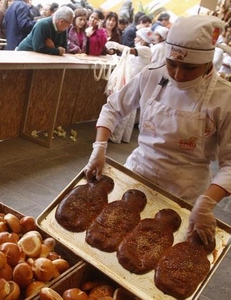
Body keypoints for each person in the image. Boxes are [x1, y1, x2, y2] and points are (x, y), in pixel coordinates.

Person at [84, 15, 231, 246]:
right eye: (172, 63)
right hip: (138, 174)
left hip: (185, 190)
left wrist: (207, 203)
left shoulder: (225, 97)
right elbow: (113, 108)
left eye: (189, 67)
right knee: (109, 239)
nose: (178, 74)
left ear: (208, 63)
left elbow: (230, 163)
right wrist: (99, 147)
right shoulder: (153, 75)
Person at [105, 27, 154, 143]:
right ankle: (125, 137)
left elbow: (128, 50)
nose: (135, 39)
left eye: (138, 37)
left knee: (125, 109)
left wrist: (115, 45)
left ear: (143, 39)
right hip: (135, 82)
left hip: (133, 82)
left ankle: (116, 137)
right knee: (130, 110)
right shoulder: (144, 50)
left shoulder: (145, 49)